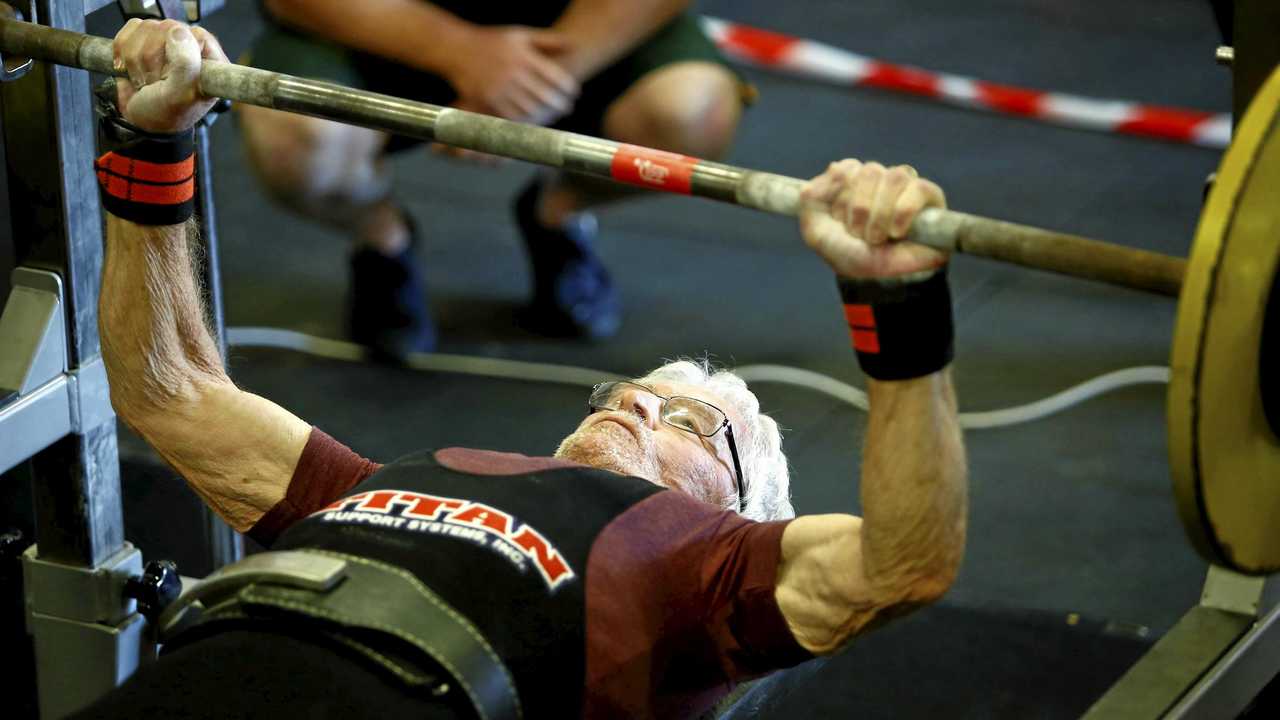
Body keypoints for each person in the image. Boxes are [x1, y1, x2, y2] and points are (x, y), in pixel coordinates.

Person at [87, 19, 966, 720]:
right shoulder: (380, 485)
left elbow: (902, 566)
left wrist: (896, 304)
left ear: (740, 510)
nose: (637, 405)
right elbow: (169, 389)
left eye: (692, 423)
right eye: (636, 393)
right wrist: (152, 136)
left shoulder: (713, 575)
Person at [238, 0, 749, 358]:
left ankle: (557, 211)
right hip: (378, 20)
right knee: (295, 141)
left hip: (574, 25)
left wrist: (530, 79)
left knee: (690, 111)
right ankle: (382, 238)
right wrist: (467, 54)